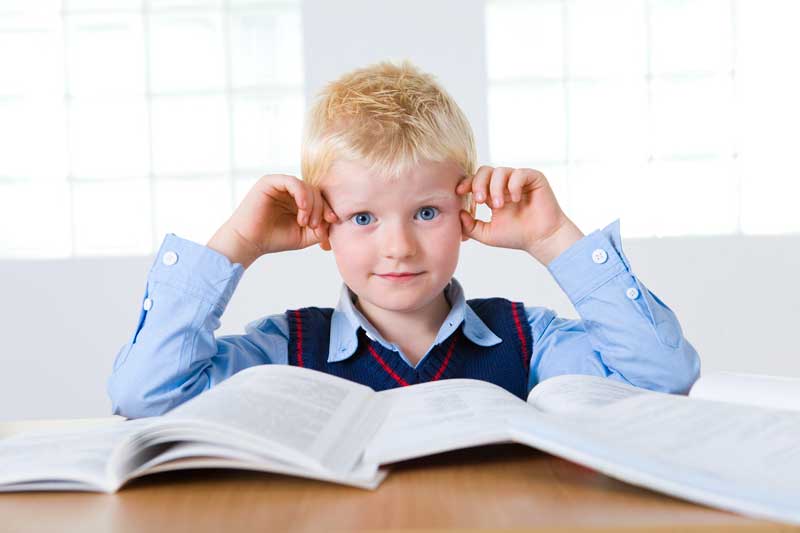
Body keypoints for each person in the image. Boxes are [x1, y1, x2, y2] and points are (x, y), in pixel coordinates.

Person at [107, 60, 700, 419]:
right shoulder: (286, 349)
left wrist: (552, 239)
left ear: (466, 207)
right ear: (324, 223)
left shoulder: (527, 339)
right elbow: (150, 395)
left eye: (425, 212)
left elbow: (658, 378)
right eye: (363, 218)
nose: (398, 247)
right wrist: (236, 244)